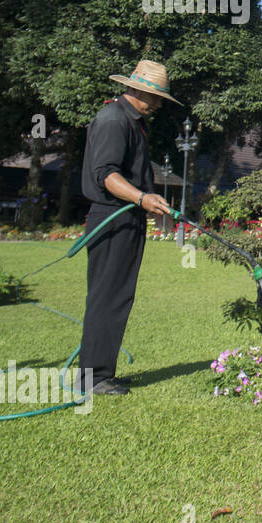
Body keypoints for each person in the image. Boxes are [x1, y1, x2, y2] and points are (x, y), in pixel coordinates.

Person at [78, 60, 179, 395]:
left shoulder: (131, 122)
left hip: (126, 218)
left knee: (118, 297)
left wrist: (149, 207)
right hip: (112, 219)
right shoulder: (113, 120)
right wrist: (141, 199)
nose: (159, 104)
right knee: (107, 298)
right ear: (138, 89)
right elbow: (107, 175)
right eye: (156, 97)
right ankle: (93, 379)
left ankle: (102, 373)